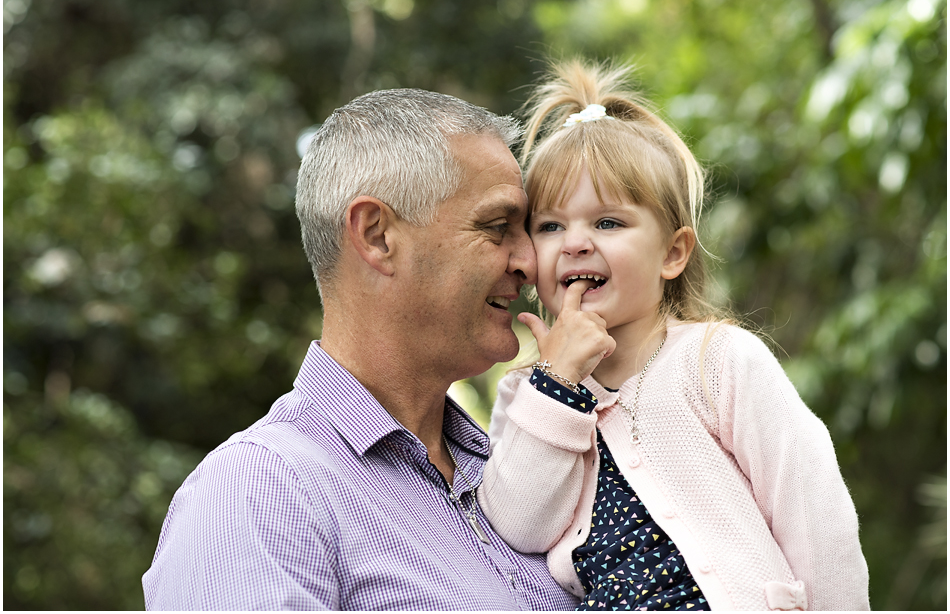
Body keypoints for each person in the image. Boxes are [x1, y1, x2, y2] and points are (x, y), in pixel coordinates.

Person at [142, 88, 579, 610]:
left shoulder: (521, 469)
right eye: (496, 227)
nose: (531, 261)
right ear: (376, 235)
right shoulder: (260, 494)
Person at [476, 60, 870, 611]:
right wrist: (559, 382)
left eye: (608, 222)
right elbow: (519, 526)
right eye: (550, 226)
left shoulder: (717, 360)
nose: (576, 242)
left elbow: (814, 517)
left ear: (673, 253)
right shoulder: (531, 397)